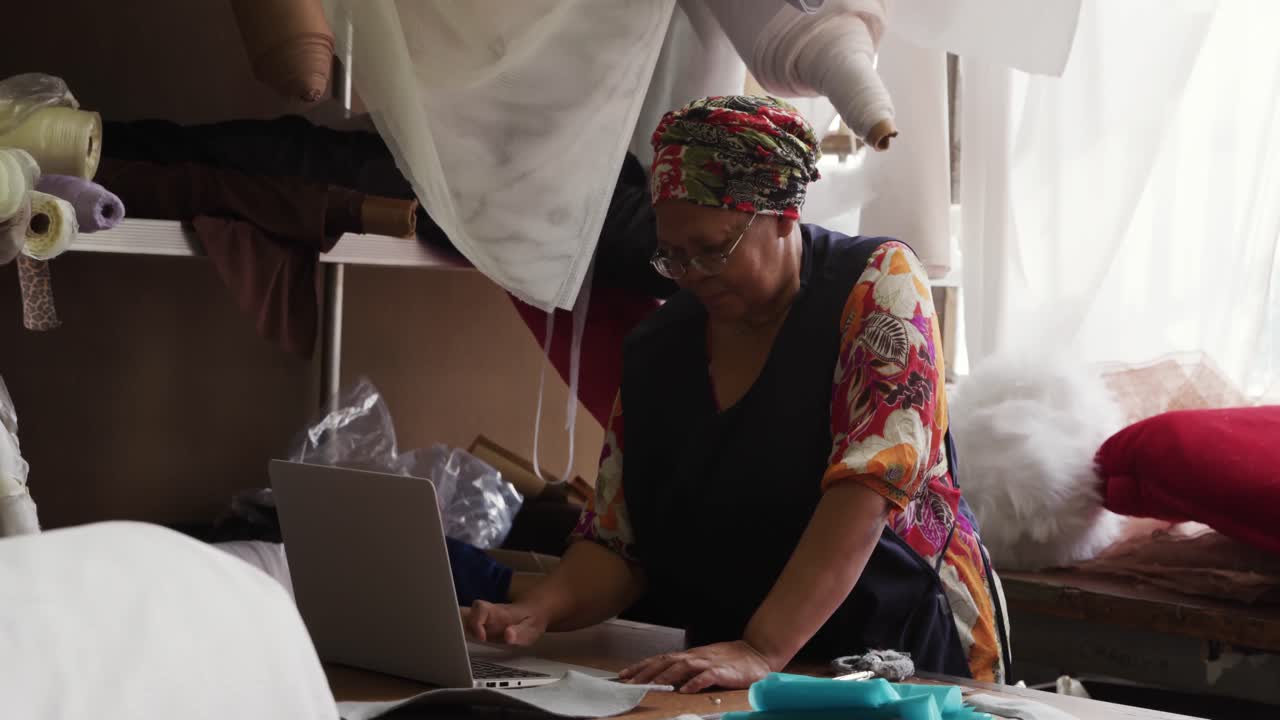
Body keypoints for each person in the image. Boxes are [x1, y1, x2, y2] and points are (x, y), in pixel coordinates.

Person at [464, 95, 1008, 692]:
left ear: (782, 216)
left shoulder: (878, 286)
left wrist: (763, 646)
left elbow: (869, 488)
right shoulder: (658, 348)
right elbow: (619, 538)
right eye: (671, 255)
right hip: (739, 668)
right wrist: (542, 608)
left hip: (899, 653)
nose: (691, 273)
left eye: (712, 248)